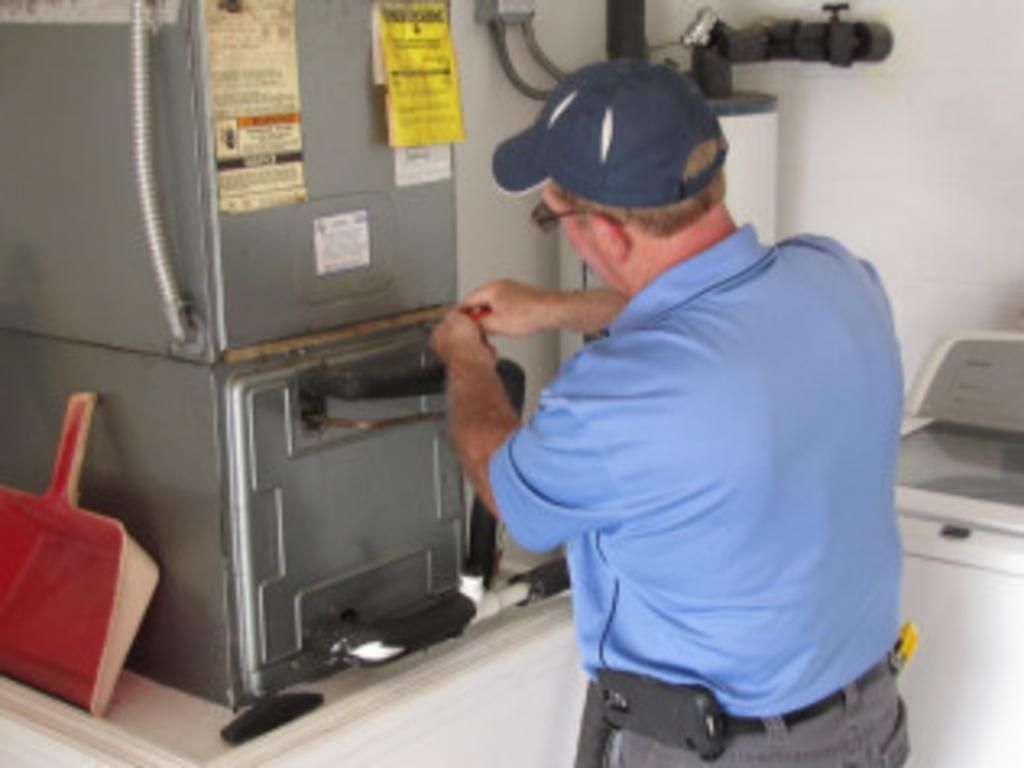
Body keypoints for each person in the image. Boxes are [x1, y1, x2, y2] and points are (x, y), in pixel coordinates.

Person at [431, 59, 908, 768]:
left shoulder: (622, 394)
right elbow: (718, 315)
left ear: (609, 235)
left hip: (728, 750)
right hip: (867, 722)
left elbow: (507, 488)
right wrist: (553, 308)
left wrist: (464, 357)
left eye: (554, 214)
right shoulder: (836, 277)